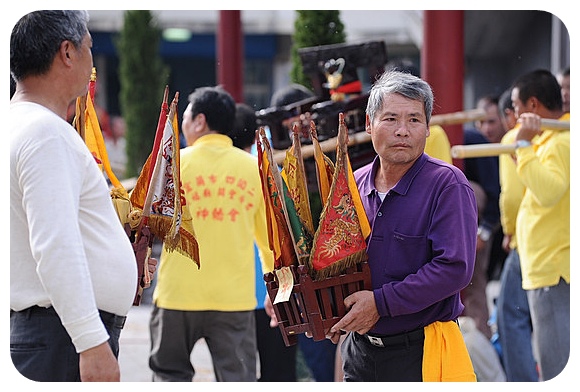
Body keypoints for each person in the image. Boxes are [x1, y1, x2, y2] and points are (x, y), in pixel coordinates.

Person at [10, 10, 155, 382]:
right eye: (89, 47)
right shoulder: (45, 133)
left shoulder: (22, 125)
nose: (92, 60)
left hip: (52, 332)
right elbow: (55, 245)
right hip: (62, 338)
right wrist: (90, 341)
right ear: (67, 53)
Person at [326, 70, 478, 382]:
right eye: (391, 119)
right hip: (360, 352)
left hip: (421, 352)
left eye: (414, 120)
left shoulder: (447, 184)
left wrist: (380, 304)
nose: (402, 131)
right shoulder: (352, 184)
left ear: (427, 129)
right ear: (369, 125)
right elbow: (337, 259)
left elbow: (454, 268)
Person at [148, 87, 275, 382]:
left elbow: (144, 223)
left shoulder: (172, 163)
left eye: (186, 116)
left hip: (177, 295)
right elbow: (269, 241)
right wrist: (275, 285)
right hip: (233, 300)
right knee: (237, 379)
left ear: (199, 121)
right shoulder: (253, 168)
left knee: (169, 375)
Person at [230, 102, 298, 382]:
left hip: (236, 296)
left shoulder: (221, 177)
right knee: (280, 373)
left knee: (235, 373)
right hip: (279, 290)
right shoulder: (271, 172)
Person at [510, 69, 569, 381]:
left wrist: (522, 146)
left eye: (517, 108)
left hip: (554, 268)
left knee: (556, 364)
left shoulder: (560, 142)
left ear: (533, 105)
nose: (515, 116)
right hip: (548, 266)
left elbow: (548, 192)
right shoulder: (552, 139)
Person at [495, 87, 538, 381]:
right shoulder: (562, 135)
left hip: (528, 240)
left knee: (512, 316)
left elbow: (511, 197)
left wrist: (508, 232)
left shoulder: (514, 140)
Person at [460, 95, 504, 340]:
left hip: (485, 232)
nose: (487, 128)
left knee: (475, 290)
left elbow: (496, 195)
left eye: (492, 121)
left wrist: (483, 231)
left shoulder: (473, 142)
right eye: (482, 122)